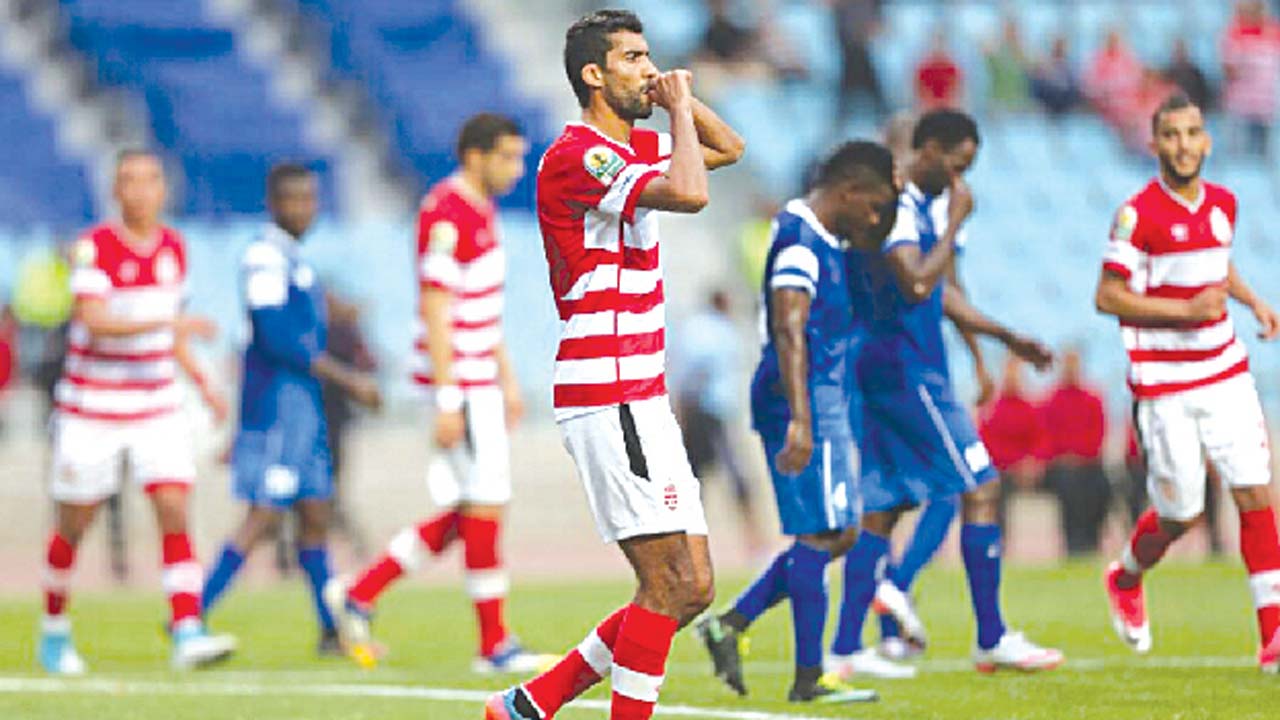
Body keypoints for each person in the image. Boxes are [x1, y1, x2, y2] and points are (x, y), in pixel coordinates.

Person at [484, 10, 744, 720]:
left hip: (641, 391)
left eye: (650, 56)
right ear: (593, 75)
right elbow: (692, 192)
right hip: (608, 388)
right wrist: (678, 108)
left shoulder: (631, 154)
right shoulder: (580, 156)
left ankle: (529, 703)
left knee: (692, 589)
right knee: (666, 585)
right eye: (633, 58)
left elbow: (730, 148)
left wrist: (678, 99)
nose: (649, 69)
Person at [830, 110, 1064, 674]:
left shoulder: (912, 208)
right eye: (957, 166)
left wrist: (1002, 339)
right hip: (906, 370)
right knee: (979, 486)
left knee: (884, 507)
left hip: (892, 368)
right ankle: (988, 635)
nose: (962, 181)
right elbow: (915, 283)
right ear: (927, 150)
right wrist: (957, 220)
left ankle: (845, 649)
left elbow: (941, 292)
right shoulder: (899, 209)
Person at [325, 115, 547, 673]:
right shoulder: (444, 212)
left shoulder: (482, 209)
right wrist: (449, 399)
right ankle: (493, 645)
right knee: (484, 505)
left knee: (475, 508)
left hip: (479, 378)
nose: (517, 169)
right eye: (507, 157)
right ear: (475, 156)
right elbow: (436, 305)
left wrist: (507, 377)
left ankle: (359, 593)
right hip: (460, 384)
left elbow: (481, 309)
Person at [696, 141, 901, 699]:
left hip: (814, 396)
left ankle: (732, 624)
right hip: (802, 397)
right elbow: (790, 328)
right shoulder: (801, 240)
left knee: (838, 531)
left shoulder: (819, 237)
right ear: (850, 191)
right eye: (874, 206)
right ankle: (808, 676)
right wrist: (802, 419)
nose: (875, 219)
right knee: (823, 532)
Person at [1098, 93, 1280, 670]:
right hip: (1165, 384)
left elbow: (1215, 263)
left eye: (1192, 133)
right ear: (1155, 143)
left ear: (1207, 140)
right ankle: (1127, 576)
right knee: (1181, 513)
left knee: (1254, 490)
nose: (1183, 145)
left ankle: (1273, 636)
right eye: (1171, 134)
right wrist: (1185, 312)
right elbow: (1107, 296)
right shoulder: (1136, 214)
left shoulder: (1225, 202)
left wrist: (1252, 300)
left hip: (1224, 370)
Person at [38, 149, 236, 674]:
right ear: (115, 190)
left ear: (164, 189)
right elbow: (94, 320)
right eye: (129, 180)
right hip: (92, 408)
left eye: (150, 180)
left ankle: (187, 629)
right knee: (75, 522)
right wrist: (168, 323)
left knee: (173, 506)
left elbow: (174, 333)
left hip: (155, 404)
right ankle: (54, 628)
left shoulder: (175, 247)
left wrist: (203, 382)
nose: (141, 190)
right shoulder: (94, 248)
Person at [198, 164, 381, 655]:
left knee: (316, 514)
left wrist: (339, 310)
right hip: (276, 404)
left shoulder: (293, 258)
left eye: (311, 199)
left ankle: (330, 631)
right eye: (295, 199)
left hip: (304, 408)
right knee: (263, 516)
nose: (305, 209)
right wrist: (349, 379)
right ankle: (190, 618)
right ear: (274, 204)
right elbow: (276, 336)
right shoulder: (263, 256)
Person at [673, 289, 763, 555]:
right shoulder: (715, 331)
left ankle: (688, 539)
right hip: (709, 411)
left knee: (697, 478)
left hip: (706, 411)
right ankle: (752, 538)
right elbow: (697, 372)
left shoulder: (695, 328)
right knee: (731, 476)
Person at [1040, 348, 1109, 556]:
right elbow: (1045, 437)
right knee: (1069, 484)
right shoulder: (1051, 400)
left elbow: (1098, 435)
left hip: (1088, 464)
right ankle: (1074, 543)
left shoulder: (1093, 399)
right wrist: (1063, 456)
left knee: (1102, 487)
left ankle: (1092, 538)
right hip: (1060, 466)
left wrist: (1080, 455)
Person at [977, 355, 1047, 541]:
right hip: (998, 469)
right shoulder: (991, 408)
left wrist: (1031, 463)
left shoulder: (1030, 409)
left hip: (1021, 469)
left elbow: (1039, 441)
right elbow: (983, 441)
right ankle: (997, 539)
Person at [1221, 0, 1280, 157]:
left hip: (1267, 105)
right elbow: (1229, 69)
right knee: (1240, 156)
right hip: (1240, 105)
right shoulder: (1234, 33)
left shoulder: (1274, 32)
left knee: (1266, 155)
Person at [1030, 35, 1079, 118]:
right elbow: (1037, 88)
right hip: (1046, 110)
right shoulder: (1043, 66)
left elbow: (1074, 89)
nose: (1059, 48)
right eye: (1057, 45)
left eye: (1061, 46)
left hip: (1066, 110)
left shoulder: (1070, 67)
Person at [915, 31, 963, 111]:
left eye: (940, 43)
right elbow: (920, 91)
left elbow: (956, 91)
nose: (938, 46)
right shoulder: (924, 68)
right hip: (929, 110)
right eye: (935, 42)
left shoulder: (952, 68)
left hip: (948, 109)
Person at [1164, 38, 1212, 113]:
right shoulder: (1168, 75)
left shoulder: (1196, 74)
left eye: (1181, 51)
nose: (1179, 54)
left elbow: (1204, 97)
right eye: (1177, 51)